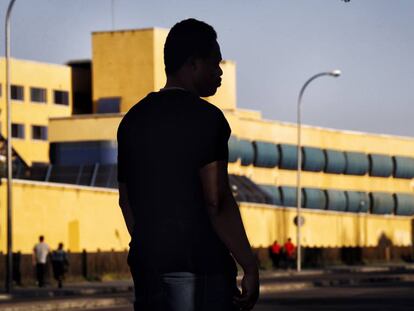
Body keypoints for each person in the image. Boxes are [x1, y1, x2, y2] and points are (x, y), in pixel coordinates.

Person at [117, 18, 259, 311]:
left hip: (147, 267)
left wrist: (152, 245)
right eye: (215, 63)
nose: (220, 72)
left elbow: (126, 200)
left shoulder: (132, 120)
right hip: (200, 267)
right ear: (193, 64)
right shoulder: (207, 119)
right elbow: (216, 200)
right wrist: (250, 264)